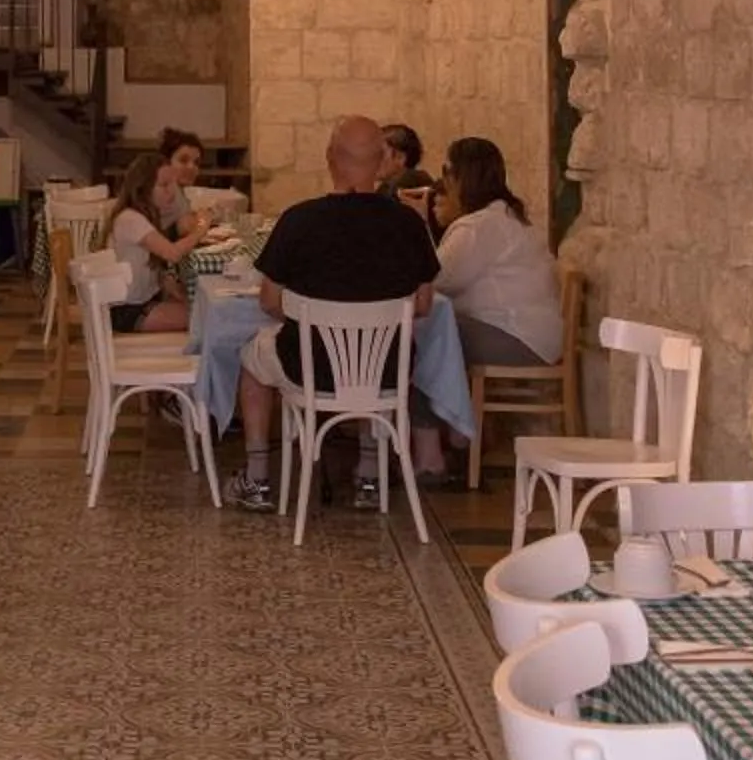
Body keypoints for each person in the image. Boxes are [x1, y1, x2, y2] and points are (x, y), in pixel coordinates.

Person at [226, 116, 440, 514]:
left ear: (330, 160)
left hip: (309, 367)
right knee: (367, 357)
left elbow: (269, 301)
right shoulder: (408, 224)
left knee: (251, 361)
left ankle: (256, 478)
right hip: (387, 367)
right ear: (380, 164)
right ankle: (370, 475)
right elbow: (424, 304)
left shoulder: (299, 220)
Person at [432, 136, 564, 369]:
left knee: (421, 330)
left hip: (516, 336)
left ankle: (441, 406)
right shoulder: (504, 215)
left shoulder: (478, 227)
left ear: (462, 178)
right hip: (541, 338)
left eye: (447, 172)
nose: (444, 182)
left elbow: (435, 278)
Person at [104, 152, 209, 333]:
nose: (171, 192)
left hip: (149, 297)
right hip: (128, 309)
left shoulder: (148, 215)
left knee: (204, 306)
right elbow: (173, 253)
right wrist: (202, 229)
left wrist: (167, 283)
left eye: (172, 185)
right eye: (164, 185)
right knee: (204, 315)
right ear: (143, 188)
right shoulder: (130, 218)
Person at [152, 127, 204, 228]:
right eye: (183, 160)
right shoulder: (164, 196)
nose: (191, 167)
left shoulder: (179, 193)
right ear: (166, 162)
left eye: (196, 163)